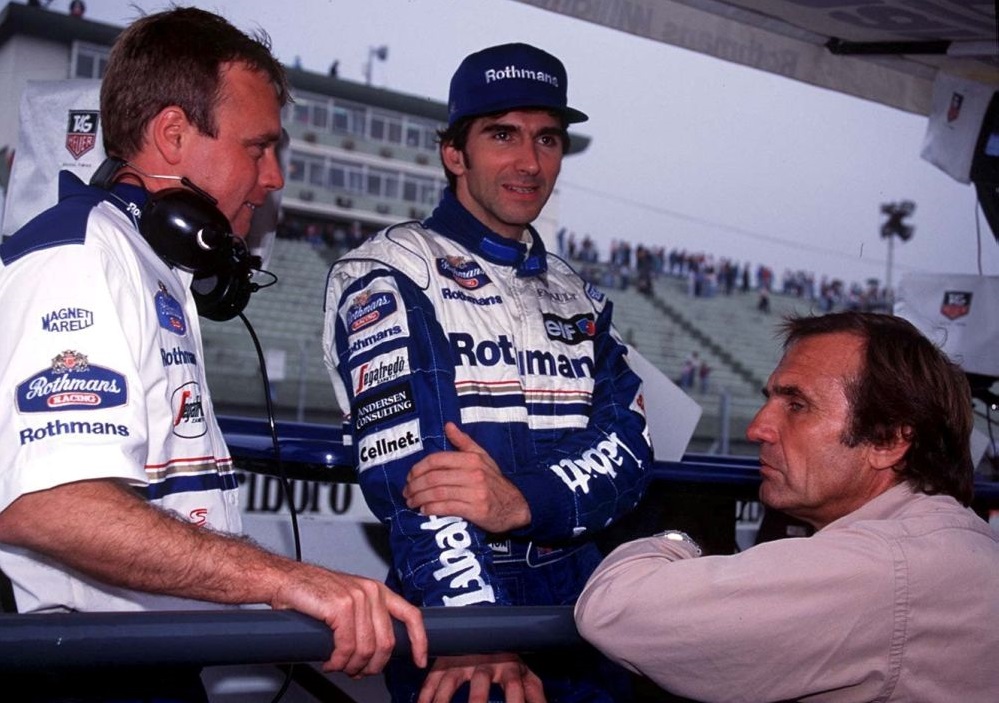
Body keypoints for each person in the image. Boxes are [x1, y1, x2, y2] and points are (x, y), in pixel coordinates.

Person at [0, 8, 425, 701]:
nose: (275, 176)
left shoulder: (145, 263)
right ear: (172, 135)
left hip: (150, 659)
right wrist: (287, 577)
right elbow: (52, 504)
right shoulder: (79, 260)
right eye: (258, 148)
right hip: (85, 672)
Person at [323, 42, 653, 703]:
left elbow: (630, 448)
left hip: (581, 595)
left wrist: (522, 500)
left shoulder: (577, 292)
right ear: (454, 152)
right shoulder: (390, 271)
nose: (529, 162)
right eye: (501, 134)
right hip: (456, 595)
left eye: (547, 139)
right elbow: (415, 476)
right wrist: (471, 626)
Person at [574, 311, 999, 702]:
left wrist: (678, 541)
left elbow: (613, 607)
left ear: (888, 441)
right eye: (771, 399)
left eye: (797, 405)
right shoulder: (950, 541)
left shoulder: (880, 564)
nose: (757, 427)